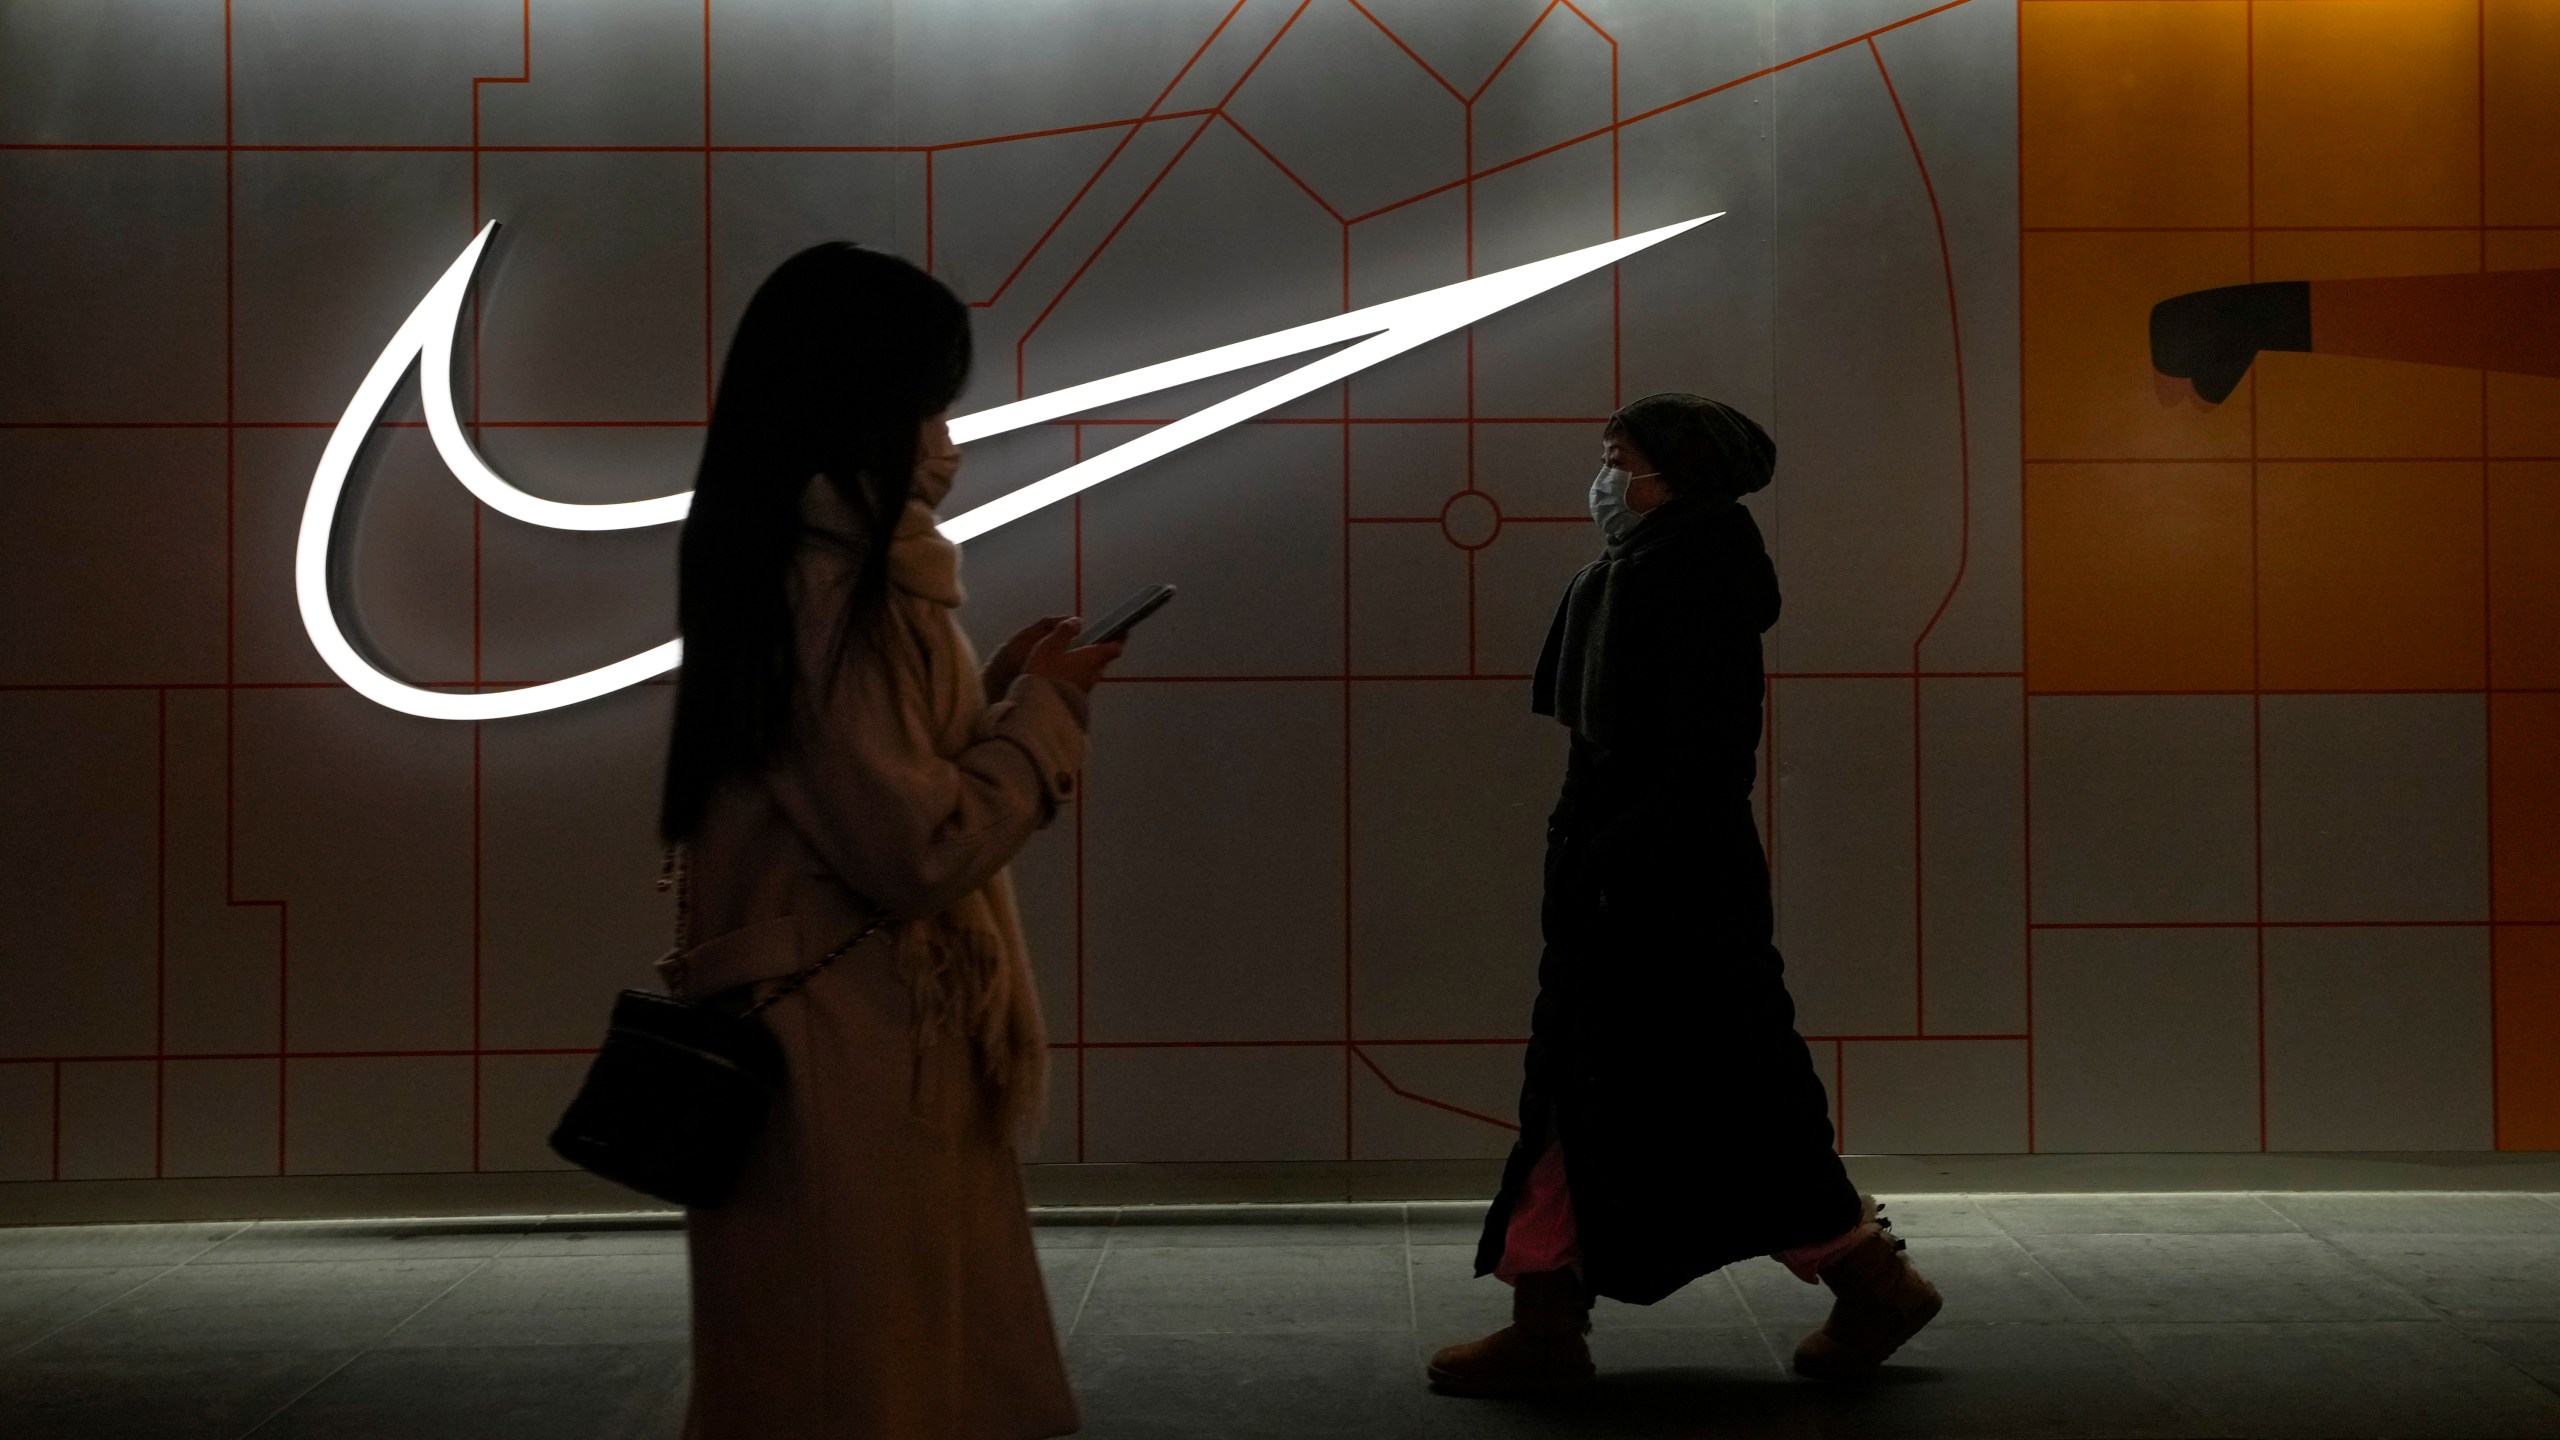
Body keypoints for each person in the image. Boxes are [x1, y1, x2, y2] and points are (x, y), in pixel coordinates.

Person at [657, 242, 1117, 1440]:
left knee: (870, 1363)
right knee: (860, 1378)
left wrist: (997, 699)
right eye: (927, 405)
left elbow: (868, 785)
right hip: (845, 1056)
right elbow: (911, 848)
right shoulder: (830, 592)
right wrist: (1044, 721)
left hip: (854, 1044)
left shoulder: (796, 572)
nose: (945, 444)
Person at [1427, 394, 1942, 1398]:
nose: (1606, 477)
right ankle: (1551, 1313)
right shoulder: (1648, 573)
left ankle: (1868, 1280)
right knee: (1617, 1091)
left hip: (1667, 893)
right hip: (1643, 884)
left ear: (1673, 470)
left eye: (1620, 456)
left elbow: (1700, 761)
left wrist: (1612, 860)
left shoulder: (1688, 582)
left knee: (1717, 1093)